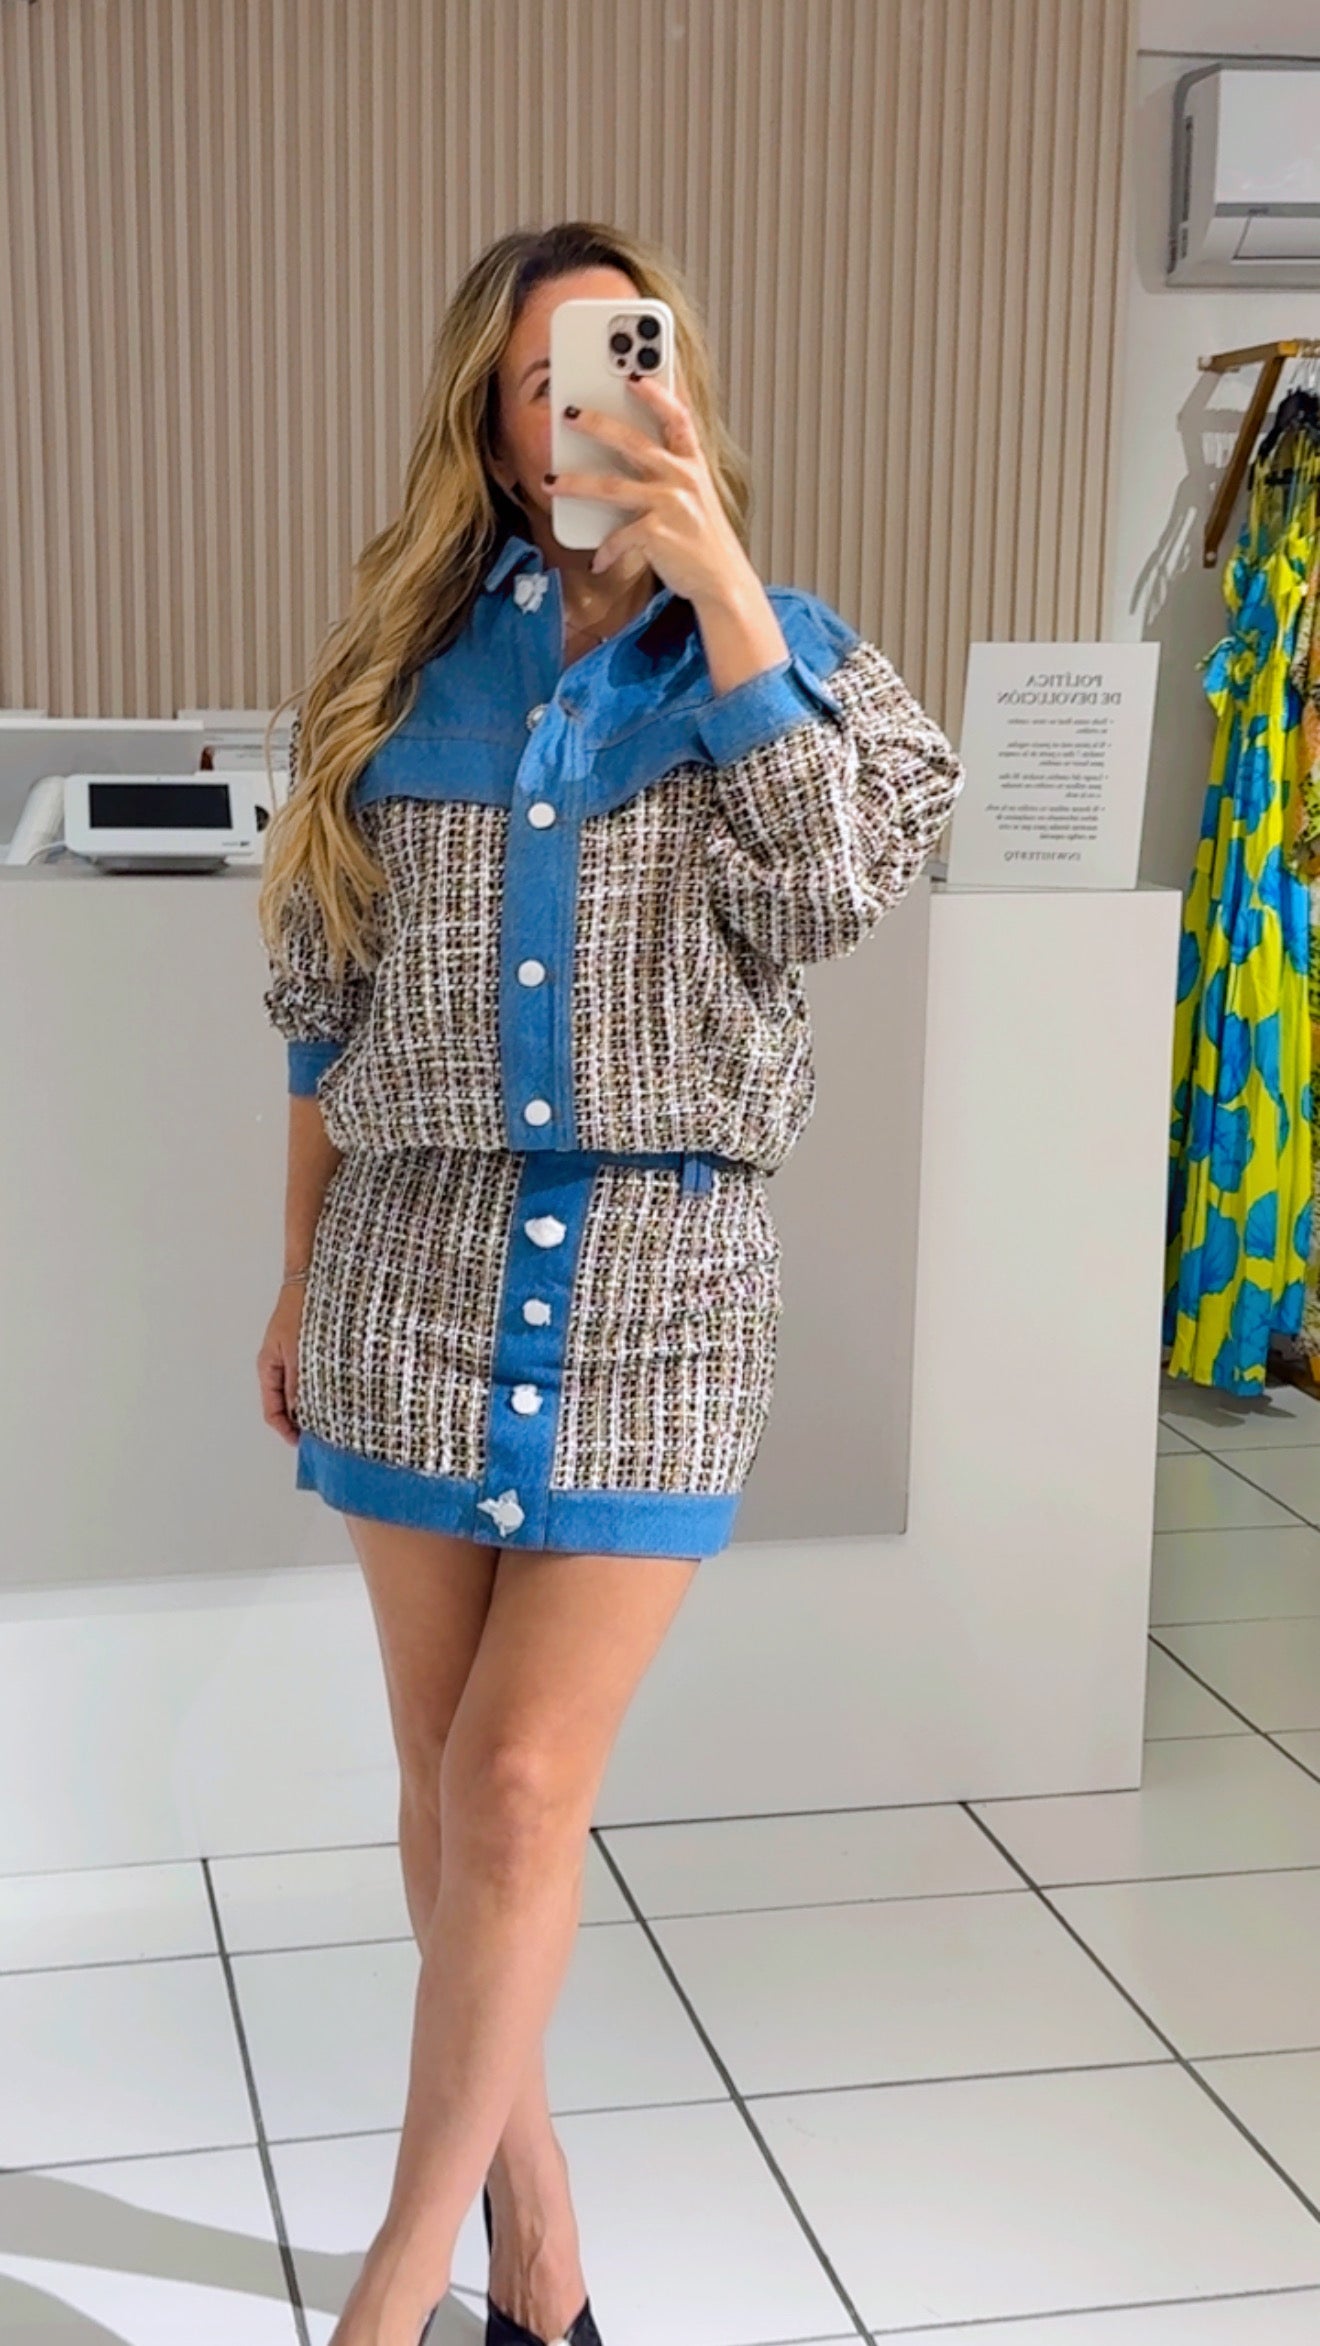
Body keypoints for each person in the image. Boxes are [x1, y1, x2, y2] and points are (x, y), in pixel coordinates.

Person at [255, 218, 964, 2346]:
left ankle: (395, 2290)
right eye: (548, 373)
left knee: (515, 1785)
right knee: (446, 1784)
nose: (593, 404)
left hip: (663, 1279)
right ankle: (537, 2238)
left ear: (678, 380)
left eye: (629, 358)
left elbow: (834, 893)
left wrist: (722, 585)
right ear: (494, 418)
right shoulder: (391, 677)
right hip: (405, 1267)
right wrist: (291, 1286)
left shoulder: (795, 662)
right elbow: (322, 1009)